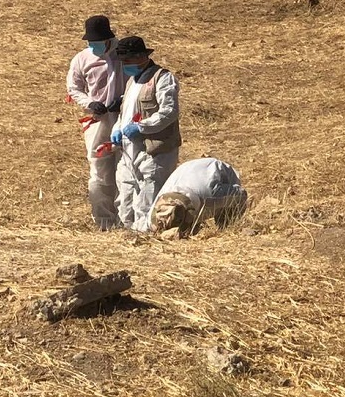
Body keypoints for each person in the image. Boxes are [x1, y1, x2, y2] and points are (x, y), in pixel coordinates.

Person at [109, 36, 181, 232]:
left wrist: (141, 126)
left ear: (141, 57)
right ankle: (127, 235)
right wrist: (116, 130)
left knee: (147, 199)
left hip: (153, 151)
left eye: (128, 61)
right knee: (125, 197)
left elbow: (168, 112)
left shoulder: (162, 78)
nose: (125, 65)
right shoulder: (132, 81)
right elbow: (125, 113)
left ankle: (145, 237)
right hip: (128, 151)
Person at [66, 15, 124, 230]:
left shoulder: (123, 54)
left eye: (97, 42)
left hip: (126, 118)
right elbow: (74, 88)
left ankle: (127, 218)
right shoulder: (82, 59)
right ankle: (104, 221)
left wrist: (125, 101)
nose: (94, 46)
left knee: (127, 167)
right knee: (99, 169)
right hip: (99, 120)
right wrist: (91, 103)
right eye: (91, 43)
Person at [148, 158, 248, 236]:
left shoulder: (211, 197)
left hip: (218, 171)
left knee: (232, 205)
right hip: (187, 170)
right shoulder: (154, 213)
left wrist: (227, 226)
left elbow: (241, 194)